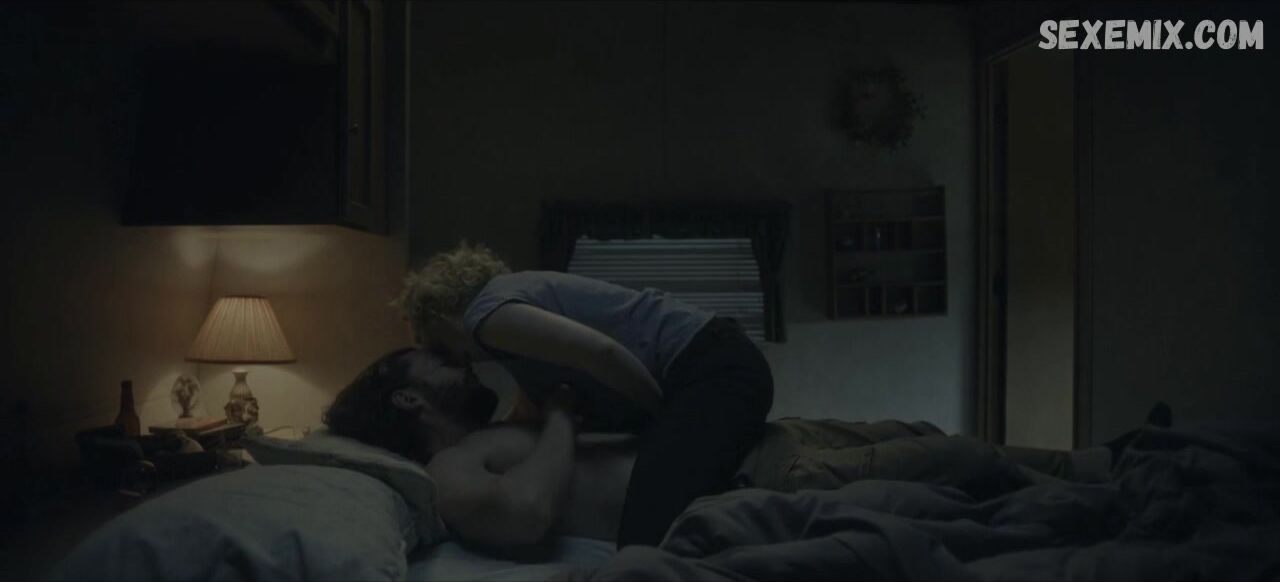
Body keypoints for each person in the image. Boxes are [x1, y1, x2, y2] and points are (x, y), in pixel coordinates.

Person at [324, 348, 1126, 548]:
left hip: (763, 440)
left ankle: (1108, 462)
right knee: (960, 465)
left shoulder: (500, 426)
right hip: (752, 480)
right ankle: (1119, 495)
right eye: (432, 362)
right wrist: (560, 416)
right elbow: (529, 511)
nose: (455, 362)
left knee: (925, 437)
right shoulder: (449, 470)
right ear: (407, 396)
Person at [392, 242, 774, 547]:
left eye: (439, 346)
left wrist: (662, 419)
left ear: (440, 317)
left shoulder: (485, 318)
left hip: (710, 364)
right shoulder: (512, 310)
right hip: (718, 357)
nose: (456, 359)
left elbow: (602, 353)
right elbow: (534, 406)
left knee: (647, 526)